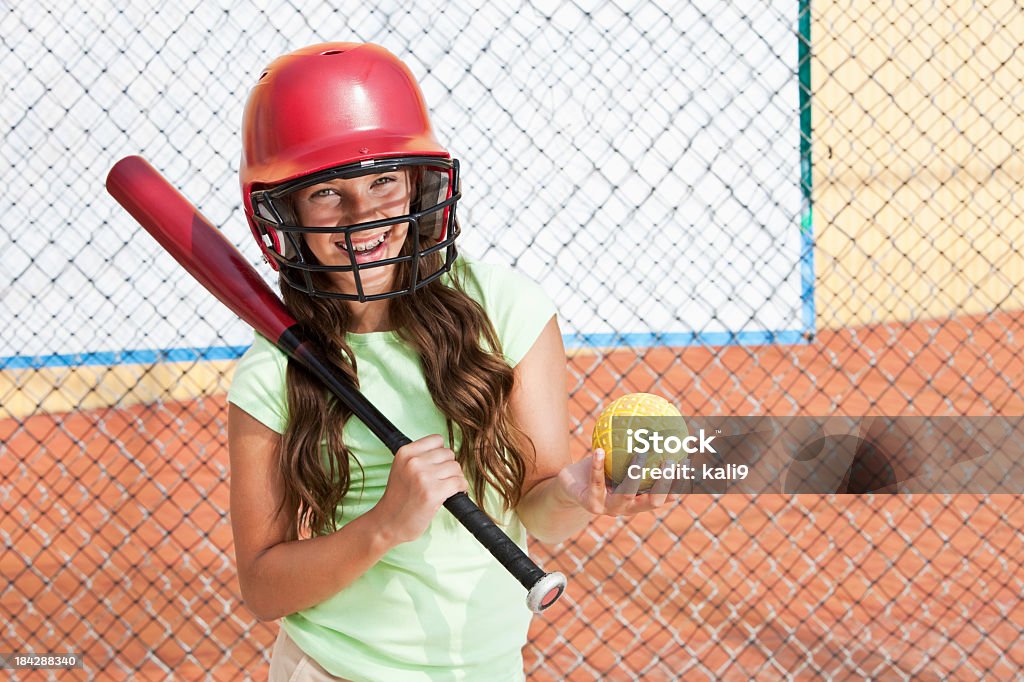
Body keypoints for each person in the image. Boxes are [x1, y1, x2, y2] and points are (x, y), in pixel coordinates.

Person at [226, 42, 674, 682]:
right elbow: (264, 588)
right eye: (326, 192)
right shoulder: (275, 368)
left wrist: (580, 491)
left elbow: (540, 508)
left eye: (383, 179)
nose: (363, 216)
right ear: (285, 212)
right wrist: (384, 525)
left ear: (419, 182)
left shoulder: (505, 309)